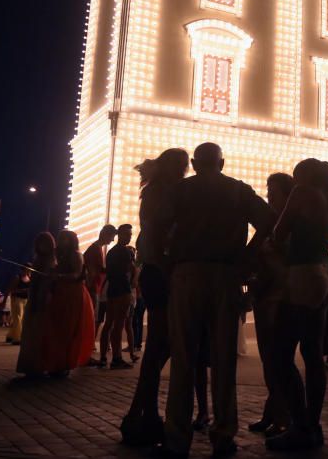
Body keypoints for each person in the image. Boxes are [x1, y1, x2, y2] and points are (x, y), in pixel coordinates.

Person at [155, 143, 269, 458]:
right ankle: (223, 434)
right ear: (222, 162)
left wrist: (167, 261)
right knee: (223, 359)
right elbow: (270, 221)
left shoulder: (181, 191)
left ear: (193, 162)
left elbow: (157, 228)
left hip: (187, 272)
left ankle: (177, 437)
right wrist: (247, 255)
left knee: (184, 358)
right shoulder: (239, 190)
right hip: (225, 274)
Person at [266, 159, 328, 451]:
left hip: (301, 274)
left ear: (305, 176)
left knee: (280, 354)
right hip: (324, 276)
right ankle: (313, 426)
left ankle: (300, 426)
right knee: (312, 355)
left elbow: (279, 233)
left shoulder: (302, 193)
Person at [121, 148, 189, 447]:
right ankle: (140, 415)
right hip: (161, 273)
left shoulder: (156, 191)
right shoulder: (163, 193)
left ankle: (141, 413)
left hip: (156, 272)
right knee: (162, 344)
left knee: (162, 346)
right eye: (181, 165)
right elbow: (159, 234)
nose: (184, 170)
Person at [245, 172, 294, 435]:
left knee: (276, 360)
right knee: (270, 360)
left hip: (279, 299)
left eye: (274, 193)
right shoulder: (271, 225)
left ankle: (283, 415)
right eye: (268, 193)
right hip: (265, 299)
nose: (269, 197)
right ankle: (273, 411)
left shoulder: (287, 227)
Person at [41, 230, 96, 376]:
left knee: (68, 328)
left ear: (71, 241)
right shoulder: (59, 256)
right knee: (56, 329)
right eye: (60, 238)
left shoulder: (76, 255)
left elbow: (77, 274)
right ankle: (56, 363)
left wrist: (58, 276)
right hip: (60, 293)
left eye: (64, 239)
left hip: (72, 294)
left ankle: (64, 364)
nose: (61, 241)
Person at [16, 233, 55, 377]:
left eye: (44, 243)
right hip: (35, 298)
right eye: (39, 243)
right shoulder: (39, 260)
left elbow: (47, 283)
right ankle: (31, 365)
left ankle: (39, 365)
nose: (41, 246)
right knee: (32, 333)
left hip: (44, 298)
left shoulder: (50, 260)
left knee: (40, 333)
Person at [100, 225, 135, 369]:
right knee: (119, 325)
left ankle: (103, 356)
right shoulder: (125, 252)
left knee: (108, 324)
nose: (129, 237)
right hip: (122, 290)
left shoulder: (111, 252)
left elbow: (108, 271)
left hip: (112, 290)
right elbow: (129, 270)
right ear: (120, 235)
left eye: (130, 234)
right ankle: (116, 357)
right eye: (127, 234)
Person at [84, 223, 116, 357]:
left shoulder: (95, 248)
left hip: (94, 288)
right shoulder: (95, 249)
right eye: (112, 236)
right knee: (92, 319)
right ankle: (87, 350)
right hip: (93, 288)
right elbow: (94, 270)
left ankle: (88, 348)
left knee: (94, 319)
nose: (112, 240)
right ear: (105, 234)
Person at [5, 270, 30, 345]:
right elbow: (11, 290)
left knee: (22, 319)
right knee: (18, 318)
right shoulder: (18, 278)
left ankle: (10, 335)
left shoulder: (30, 278)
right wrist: (23, 290)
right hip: (18, 299)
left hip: (26, 300)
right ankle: (17, 338)